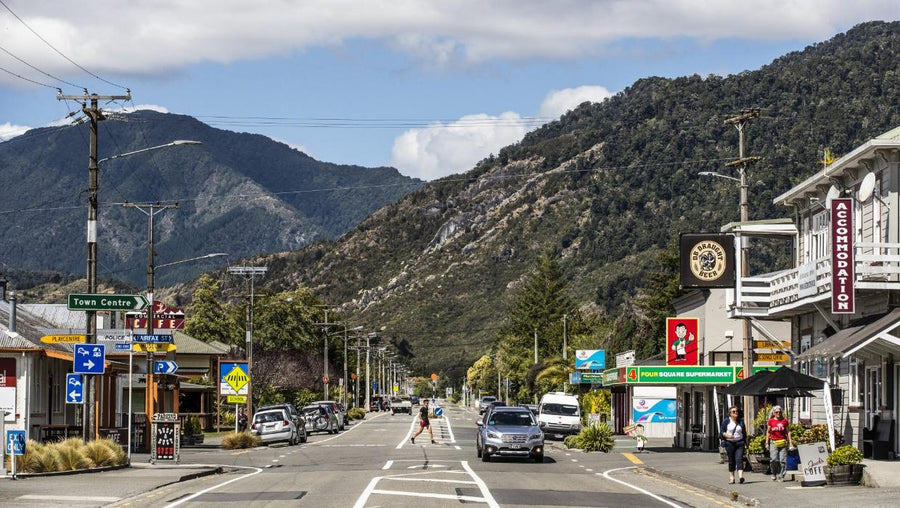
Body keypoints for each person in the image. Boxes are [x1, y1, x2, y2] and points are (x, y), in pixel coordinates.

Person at [765, 405, 794, 481]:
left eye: (780, 412)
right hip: (773, 442)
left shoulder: (784, 421)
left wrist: (790, 443)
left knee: (782, 461)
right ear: (774, 413)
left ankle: (781, 476)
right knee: (774, 459)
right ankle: (774, 473)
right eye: (776, 412)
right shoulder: (771, 421)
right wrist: (767, 443)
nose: (778, 413)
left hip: (783, 442)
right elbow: (768, 432)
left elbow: (788, 432)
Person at [719, 406, 747, 484]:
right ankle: (732, 478)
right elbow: (722, 432)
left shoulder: (741, 421)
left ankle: (741, 477)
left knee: (739, 459)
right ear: (730, 413)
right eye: (734, 411)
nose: (736, 413)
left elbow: (744, 432)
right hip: (729, 443)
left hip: (739, 443)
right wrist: (727, 435)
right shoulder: (726, 421)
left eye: (736, 411)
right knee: (731, 460)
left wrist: (745, 441)